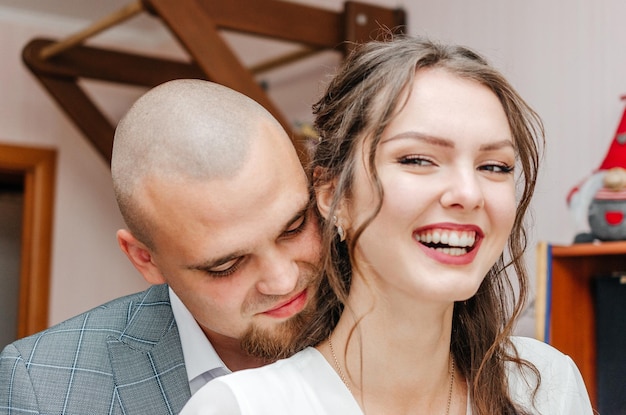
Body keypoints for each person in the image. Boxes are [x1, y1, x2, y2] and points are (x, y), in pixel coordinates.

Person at [180, 36, 594, 415]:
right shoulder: (244, 407)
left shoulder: (545, 387)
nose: (469, 193)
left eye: (494, 166)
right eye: (417, 160)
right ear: (333, 195)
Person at [0, 79, 322, 414]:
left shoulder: (377, 321)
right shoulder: (43, 387)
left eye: (295, 227)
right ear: (144, 259)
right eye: (226, 265)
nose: (282, 280)